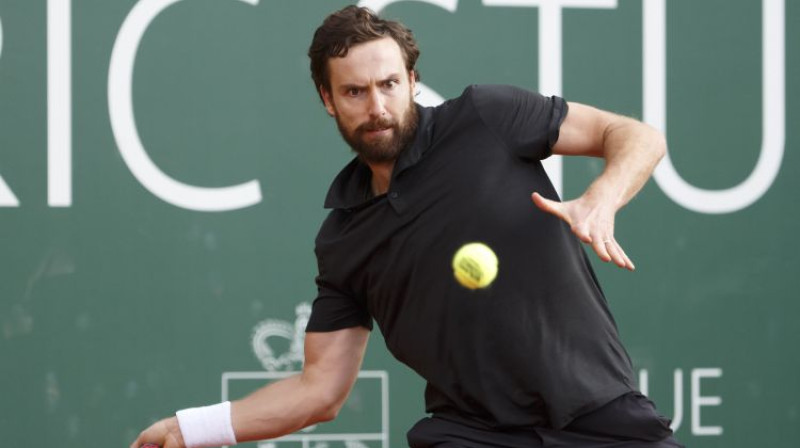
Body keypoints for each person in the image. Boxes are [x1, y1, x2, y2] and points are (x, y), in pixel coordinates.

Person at [131, 5, 683, 448]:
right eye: (354, 92)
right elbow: (320, 391)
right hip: (472, 434)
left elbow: (635, 136)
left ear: (412, 80)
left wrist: (601, 198)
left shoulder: (486, 118)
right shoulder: (344, 241)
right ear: (327, 99)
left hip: (599, 413)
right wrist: (191, 428)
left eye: (390, 84)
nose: (378, 106)